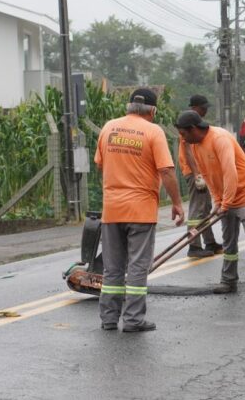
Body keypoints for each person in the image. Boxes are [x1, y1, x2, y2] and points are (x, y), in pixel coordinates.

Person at [94, 88, 185, 332]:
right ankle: (134, 320)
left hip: (111, 210)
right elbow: (166, 171)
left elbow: (100, 164)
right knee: (136, 267)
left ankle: (109, 319)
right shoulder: (153, 131)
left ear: (128, 106)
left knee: (112, 268)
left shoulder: (108, 127)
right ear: (152, 110)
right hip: (141, 210)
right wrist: (177, 203)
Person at [174, 110, 245, 301]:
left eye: (184, 134)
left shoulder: (220, 138)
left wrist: (226, 202)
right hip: (226, 195)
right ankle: (228, 280)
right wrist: (218, 202)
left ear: (194, 129)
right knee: (228, 240)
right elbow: (209, 175)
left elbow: (230, 172)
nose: (182, 139)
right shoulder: (194, 146)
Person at [178, 95, 223, 258]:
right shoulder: (188, 123)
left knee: (204, 207)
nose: (205, 110)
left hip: (199, 171)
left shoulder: (194, 122)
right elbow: (189, 151)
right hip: (193, 171)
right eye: (203, 107)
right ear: (194, 108)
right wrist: (197, 175)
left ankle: (209, 241)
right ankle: (194, 245)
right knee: (197, 208)